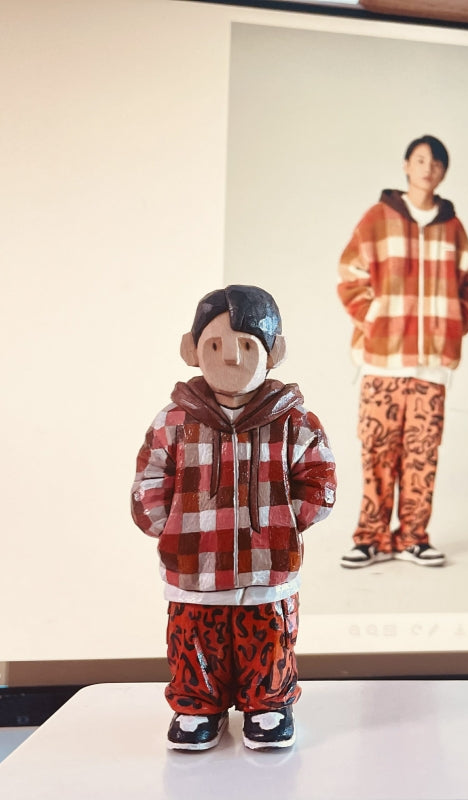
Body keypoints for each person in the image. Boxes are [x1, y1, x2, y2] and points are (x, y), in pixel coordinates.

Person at [131, 284, 336, 751]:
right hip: (192, 568)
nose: (231, 358)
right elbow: (149, 479)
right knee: (193, 638)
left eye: (247, 346)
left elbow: (320, 478)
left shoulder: (293, 421)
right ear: (192, 350)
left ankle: (268, 704)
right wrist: (170, 526)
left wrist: (285, 520)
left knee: (269, 637)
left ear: (274, 352)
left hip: (269, 567)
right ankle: (196, 706)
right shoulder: (173, 421)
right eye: (216, 346)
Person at [337, 134, 468, 569]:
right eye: (420, 160)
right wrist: (376, 319)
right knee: (378, 450)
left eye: (436, 163)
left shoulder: (452, 228)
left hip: (431, 368)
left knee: (422, 453)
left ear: (442, 172)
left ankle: (414, 537)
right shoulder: (378, 219)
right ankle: (370, 538)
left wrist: (451, 328)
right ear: (406, 165)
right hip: (380, 362)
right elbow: (350, 275)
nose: (427, 168)